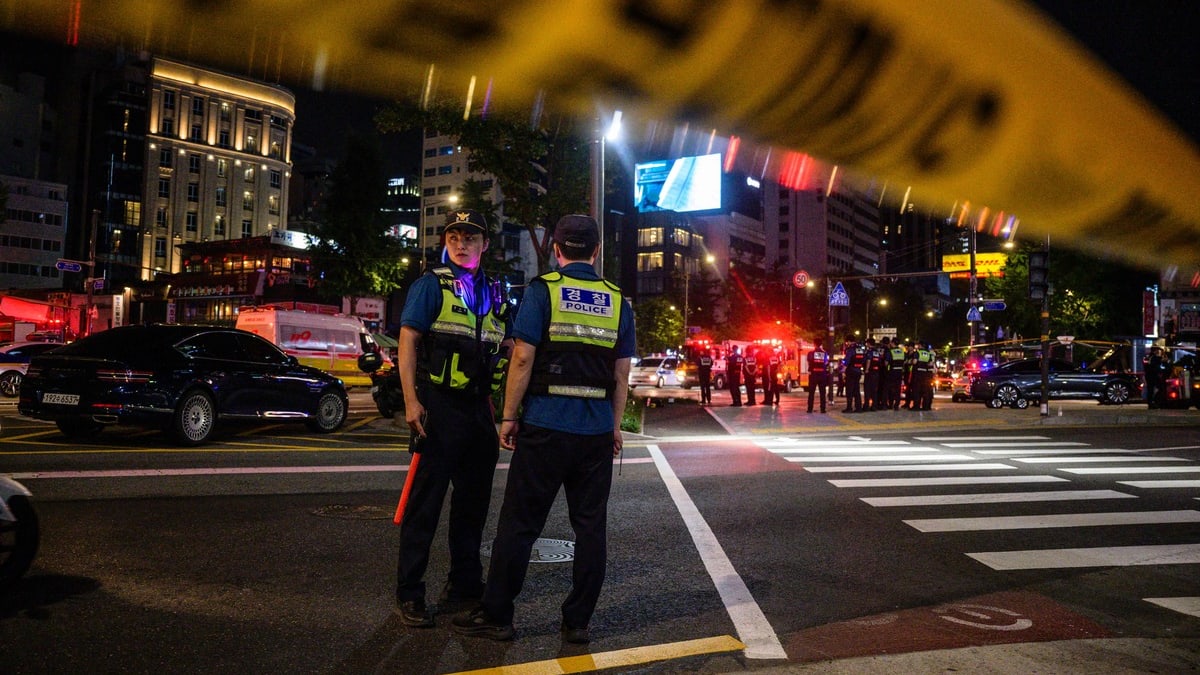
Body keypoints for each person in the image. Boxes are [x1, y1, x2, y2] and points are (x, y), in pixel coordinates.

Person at [451, 214, 634, 644]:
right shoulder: (617, 301)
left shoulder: (543, 292)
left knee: (519, 524)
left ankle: (498, 615)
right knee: (590, 527)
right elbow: (621, 376)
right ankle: (578, 622)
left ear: (555, 250)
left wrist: (508, 415)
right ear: (596, 251)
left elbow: (521, 359)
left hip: (545, 426)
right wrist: (614, 426)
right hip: (593, 432)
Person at [394, 209, 511, 628]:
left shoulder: (497, 293)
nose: (462, 243)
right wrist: (411, 401)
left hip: (480, 410)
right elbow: (407, 343)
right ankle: (410, 593)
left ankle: (464, 585)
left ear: (484, 245)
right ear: (446, 241)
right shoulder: (431, 286)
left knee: (473, 505)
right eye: (455, 236)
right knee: (425, 505)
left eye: (471, 237)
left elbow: (513, 348)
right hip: (438, 407)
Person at [807, 338, 830, 413]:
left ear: (814, 344)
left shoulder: (811, 353)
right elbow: (826, 363)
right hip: (822, 374)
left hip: (813, 374)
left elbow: (809, 362)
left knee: (811, 393)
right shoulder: (825, 353)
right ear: (821, 344)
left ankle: (810, 409)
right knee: (822, 393)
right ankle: (823, 409)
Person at [883, 336, 906, 410]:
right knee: (897, 389)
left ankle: (890, 404)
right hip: (899, 372)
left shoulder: (890, 351)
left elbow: (886, 363)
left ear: (892, 343)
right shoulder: (902, 352)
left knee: (889, 389)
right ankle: (897, 405)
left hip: (891, 372)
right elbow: (905, 361)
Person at [842, 337, 864, 413]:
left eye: (847, 342)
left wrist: (843, 371)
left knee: (849, 391)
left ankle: (849, 408)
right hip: (858, 371)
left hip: (851, 372)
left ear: (849, 341)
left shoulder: (850, 350)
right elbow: (864, 360)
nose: (847, 344)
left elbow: (846, 362)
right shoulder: (861, 350)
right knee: (856, 390)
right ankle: (859, 407)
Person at [913, 342, 936, 410]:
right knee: (925, 391)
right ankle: (925, 406)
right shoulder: (928, 353)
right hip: (926, 374)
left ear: (920, 346)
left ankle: (916, 406)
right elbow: (931, 363)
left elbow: (914, 362)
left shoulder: (918, 353)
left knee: (917, 391)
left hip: (918, 374)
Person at [862, 337, 881, 411]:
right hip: (876, 372)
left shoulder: (869, 352)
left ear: (869, 344)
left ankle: (866, 406)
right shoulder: (877, 352)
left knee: (867, 389)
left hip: (870, 372)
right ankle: (874, 406)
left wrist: (866, 369)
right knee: (874, 390)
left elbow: (868, 361)